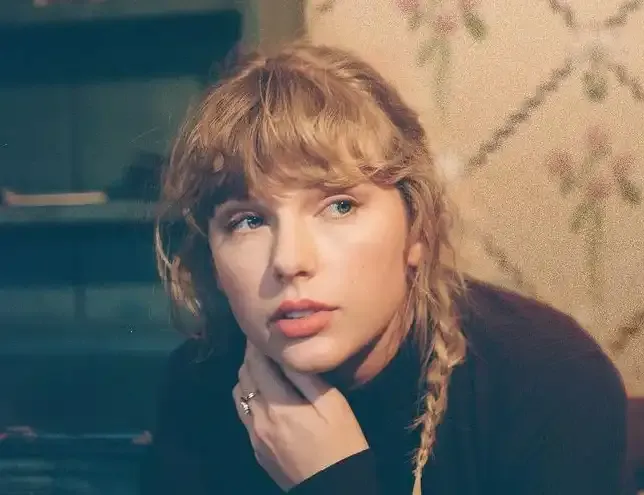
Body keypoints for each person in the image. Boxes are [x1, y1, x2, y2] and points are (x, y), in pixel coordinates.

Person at [142, 42, 627, 495]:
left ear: (416, 228)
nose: (289, 261)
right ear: (213, 259)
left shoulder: (549, 380)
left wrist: (334, 482)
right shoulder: (196, 386)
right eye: (248, 221)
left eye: (339, 206)